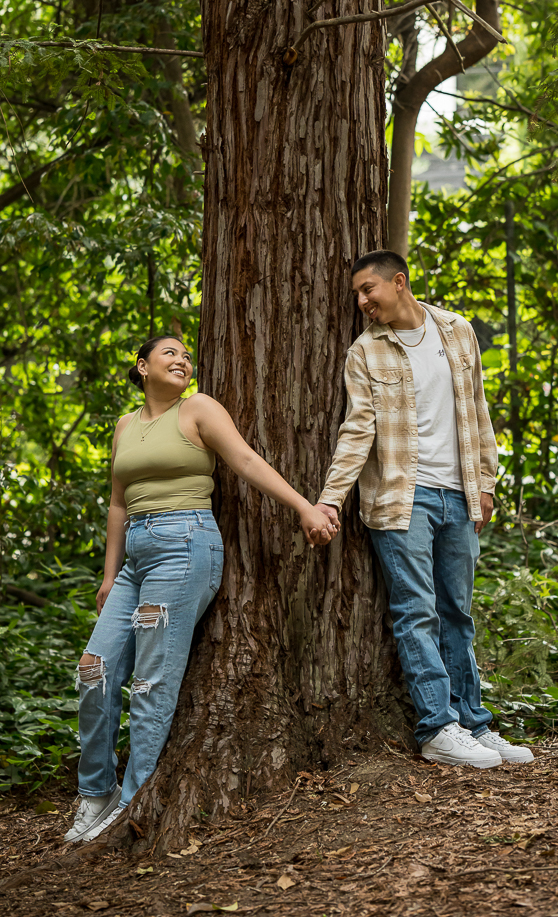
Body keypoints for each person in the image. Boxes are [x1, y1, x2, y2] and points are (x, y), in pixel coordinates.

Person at [67, 335, 337, 844]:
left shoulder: (198, 409)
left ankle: (132, 802)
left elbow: (248, 462)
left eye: (187, 356)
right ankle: (95, 793)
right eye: (169, 353)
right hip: (137, 558)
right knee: (94, 670)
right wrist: (109, 575)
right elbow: (118, 504)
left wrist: (304, 507)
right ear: (142, 366)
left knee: (150, 681)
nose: (182, 360)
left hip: (184, 545)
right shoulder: (126, 425)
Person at [312, 251, 533, 768]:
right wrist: (329, 497)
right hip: (401, 498)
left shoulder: (456, 330)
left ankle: (475, 723)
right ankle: (438, 727)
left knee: (458, 612)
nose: (363, 302)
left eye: (369, 290)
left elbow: (477, 409)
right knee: (418, 613)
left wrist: (486, 483)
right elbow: (357, 430)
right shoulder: (364, 352)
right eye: (358, 295)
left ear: (400, 282)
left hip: (458, 493)